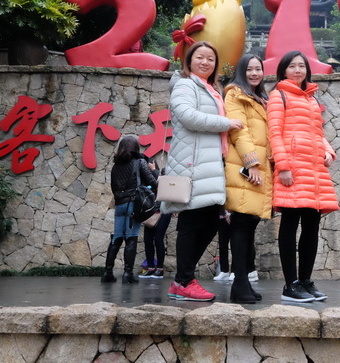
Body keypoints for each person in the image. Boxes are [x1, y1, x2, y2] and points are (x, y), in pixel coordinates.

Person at [161, 40, 244, 301]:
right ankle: (185, 281)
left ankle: (181, 280)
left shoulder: (211, 88)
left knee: (209, 224)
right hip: (192, 164)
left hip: (208, 165)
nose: (205, 62)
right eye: (200, 57)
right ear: (189, 60)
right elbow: (187, 116)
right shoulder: (185, 85)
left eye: (210, 58)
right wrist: (225, 122)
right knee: (190, 223)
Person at [268, 50, 339, 303]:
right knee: (290, 224)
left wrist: (328, 151)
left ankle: (306, 281)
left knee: (311, 226)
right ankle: (291, 285)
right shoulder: (278, 95)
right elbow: (275, 133)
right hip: (293, 169)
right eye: (292, 66)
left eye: (301, 66)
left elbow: (318, 134)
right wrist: (283, 166)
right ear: (283, 70)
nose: (297, 70)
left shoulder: (311, 99)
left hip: (315, 170)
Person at [223, 54, 274, 304]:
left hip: (260, 168)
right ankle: (239, 283)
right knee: (242, 224)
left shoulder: (260, 98)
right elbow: (239, 132)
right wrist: (251, 162)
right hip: (245, 167)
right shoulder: (235, 94)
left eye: (258, 69)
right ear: (241, 71)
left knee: (249, 224)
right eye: (250, 69)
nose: (254, 73)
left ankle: (242, 283)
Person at [102, 135, 158, 284]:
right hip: (133, 205)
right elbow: (153, 182)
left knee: (117, 238)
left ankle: (107, 272)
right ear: (135, 148)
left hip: (119, 205)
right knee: (131, 238)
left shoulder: (116, 166)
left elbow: (114, 188)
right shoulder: (139, 162)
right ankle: (128, 273)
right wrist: (154, 171)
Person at [139, 211, 172, 278]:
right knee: (147, 239)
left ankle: (160, 269)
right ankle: (150, 268)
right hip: (151, 211)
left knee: (158, 239)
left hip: (164, 211)